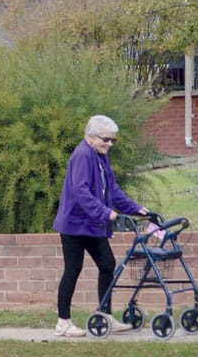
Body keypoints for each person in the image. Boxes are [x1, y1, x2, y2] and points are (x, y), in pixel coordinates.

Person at [52, 115, 147, 337]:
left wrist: (135, 208)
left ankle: (105, 315)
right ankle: (63, 322)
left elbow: (112, 189)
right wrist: (105, 213)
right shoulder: (82, 155)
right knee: (73, 269)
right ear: (91, 137)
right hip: (74, 225)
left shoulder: (100, 156)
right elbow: (81, 192)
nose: (110, 144)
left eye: (113, 140)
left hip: (92, 224)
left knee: (107, 264)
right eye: (106, 139)